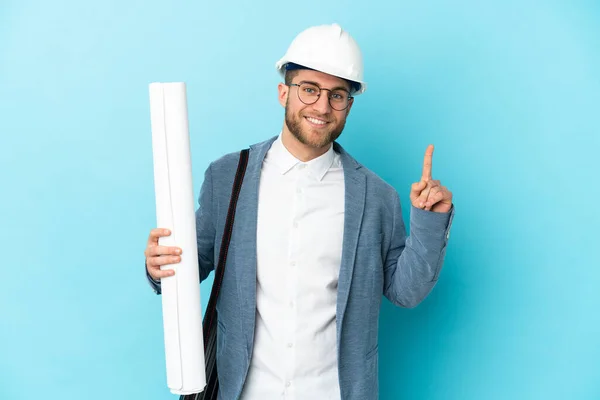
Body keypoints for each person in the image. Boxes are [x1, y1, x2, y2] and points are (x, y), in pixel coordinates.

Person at [144, 23, 454, 400]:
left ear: (349, 105)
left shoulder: (377, 197)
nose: (322, 107)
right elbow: (194, 263)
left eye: (337, 95)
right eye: (309, 89)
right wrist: (160, 266)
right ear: (283, 93)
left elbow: (405, 292)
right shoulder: (229, 176)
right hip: (242, 391)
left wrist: (429, 221)